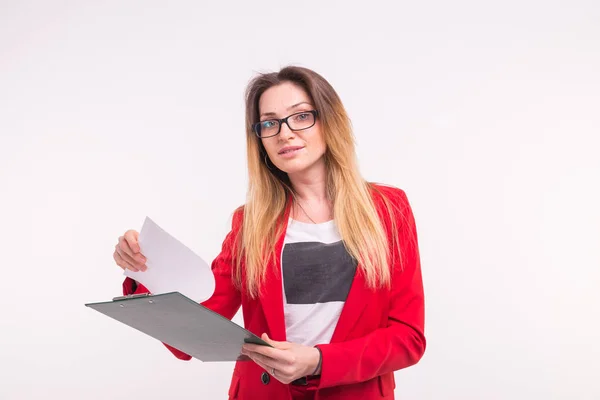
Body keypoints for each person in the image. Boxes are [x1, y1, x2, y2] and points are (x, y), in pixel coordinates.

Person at [113, 66, 426, 400]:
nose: (285, 133)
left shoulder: (388, 209)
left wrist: (318, 361)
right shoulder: (251, 223)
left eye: (301, 116)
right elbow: (197, 326)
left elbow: (408, 338)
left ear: (330, 121)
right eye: (269, 123)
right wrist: (144, 269)